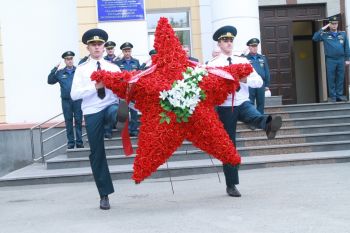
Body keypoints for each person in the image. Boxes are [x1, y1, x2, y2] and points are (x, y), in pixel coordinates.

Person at [207, 25, 282, 197]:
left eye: (231, 40)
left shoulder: (242, 60)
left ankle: (269, 125)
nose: (228, 43)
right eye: (225, 40)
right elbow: (207, 87)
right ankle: (231, 184)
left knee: (255, 115)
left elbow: (258, 82)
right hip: (225, 107)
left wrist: (243, 78)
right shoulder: (212, 64)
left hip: (242, 101)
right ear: (219, 43)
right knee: (229, 146)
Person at [70, 28, 128, 210]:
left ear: (104, 47)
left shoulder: (113, 67)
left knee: (118, 110)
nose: (97, 47)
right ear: (88, 48)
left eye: (100, 44)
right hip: (92, 110)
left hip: (109, 105)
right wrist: (94, 87)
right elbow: (73, 95)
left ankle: (119, 120)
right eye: (93, 45)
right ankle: (104, 194)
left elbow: (122, 88)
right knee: (96, 153)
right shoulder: (81, 69)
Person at [48, 51, 83, 149]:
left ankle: (79, 142)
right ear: (65, 61)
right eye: (68, 59)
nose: (70, 61)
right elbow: (50, 81)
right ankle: (71, 142)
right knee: (68, 121)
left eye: (71, 59)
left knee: (78, 120)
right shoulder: (60, 72)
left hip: (77, 100)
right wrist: (54, 69)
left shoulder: (78, 71)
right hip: (66, 101)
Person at [312, 15, 350, 102]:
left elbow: (347, 47)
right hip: (330, 59)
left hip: (341, 59)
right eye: (332, 24)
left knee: (340, 77)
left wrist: (347, 59)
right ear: (330, 24)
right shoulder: (325, 35)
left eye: (336, 24)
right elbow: (315, 38)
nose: (334, 25)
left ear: (338, 24)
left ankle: (339, 96)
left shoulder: (343, 34)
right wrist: (323, 28)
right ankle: (333, 96)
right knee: (331, 78)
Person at [116, 42, 141, 136]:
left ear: (131, 51)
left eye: (129, 51)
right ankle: (125, 130)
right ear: (122, 52)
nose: (127, 53)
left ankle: (134, 130)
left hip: (134, 91)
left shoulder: (136, 62)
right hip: (123, 91)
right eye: (125, 51)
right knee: (123, 112)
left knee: (134, 111)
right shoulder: (118, 63)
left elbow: (140, 74)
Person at [245, 38, 271, 114]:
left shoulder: (262, 58)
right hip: (250, 84)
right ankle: (252, 121)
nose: (254, 48)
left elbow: (267, 71)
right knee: (250, 102)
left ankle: (259, 120)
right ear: (249, 47)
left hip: (261, 84)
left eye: (256, 46)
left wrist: (267, 84)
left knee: (261, 103)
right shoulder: (245, 58)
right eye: (252, 46)